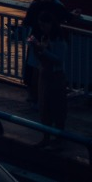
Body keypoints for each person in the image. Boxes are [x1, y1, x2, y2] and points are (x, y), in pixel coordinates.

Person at [22, 0, 80, 102]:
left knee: (34, 70)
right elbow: (69, 17)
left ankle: (34, 98)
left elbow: (26, 22)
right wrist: (75, 13)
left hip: (35, 40)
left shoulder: (35, 6)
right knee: (52, 68)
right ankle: (47, 98)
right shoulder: (56, 6)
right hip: (53, 41)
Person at [31, 11, 69, 144]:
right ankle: (46, 136)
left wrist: (44, 51)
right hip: (45, 75)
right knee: (44, 106)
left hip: (56, 76)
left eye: (43, 25)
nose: (42, 28)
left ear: (50, 23)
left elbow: (59, 60)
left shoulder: (59, 39)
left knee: (57, 107)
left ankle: (58, 138)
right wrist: (37, 50)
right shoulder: (45, 37)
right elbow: (43, 58)